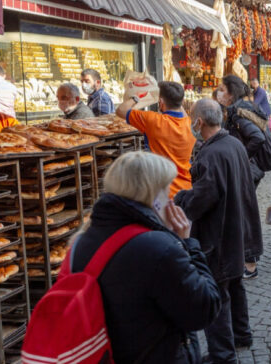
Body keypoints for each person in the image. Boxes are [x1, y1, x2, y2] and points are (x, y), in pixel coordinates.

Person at [70, 151, 220, 363]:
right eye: (166, 190)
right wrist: (188, 244)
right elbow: (206, 307)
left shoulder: (80, 241)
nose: (170, 198)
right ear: (153, 195)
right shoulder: (159, 249)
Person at [175, 99, 258, 362]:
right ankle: (242, 335)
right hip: (237, 227)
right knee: (234, 284)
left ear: (199, 121)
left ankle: (223, 354)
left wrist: (179, 201)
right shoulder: (232, 143)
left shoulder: (212, 153)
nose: (191, 125)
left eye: (191, 120)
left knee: (218, 292)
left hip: (218, 233)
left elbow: (204, 196)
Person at [213, 75, 265, 279]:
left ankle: (250, 263)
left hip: (247, 169)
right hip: (250, 168)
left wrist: (240, 157)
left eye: (221, 89)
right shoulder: (244, 106)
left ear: (231, 93)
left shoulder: (237, 111)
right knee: (241, 212)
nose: (219, 93)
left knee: (244, 214)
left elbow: (257, 138)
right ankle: (243, 258)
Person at [117, 81, 195, 199]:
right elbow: (182, 112)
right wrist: (177, 99)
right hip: (186, 189)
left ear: (161, 102)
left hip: (162, 192)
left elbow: (121, 110)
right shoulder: (189, 124)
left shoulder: (152, 120)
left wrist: (136, 98)